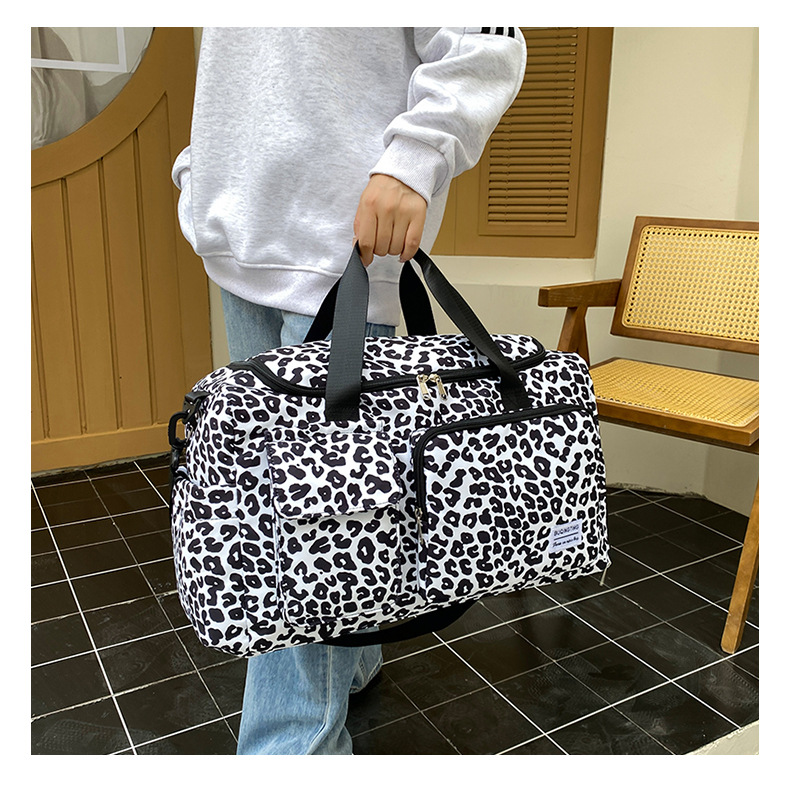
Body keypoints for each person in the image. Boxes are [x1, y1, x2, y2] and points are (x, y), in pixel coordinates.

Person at [172, 26, 527, 756]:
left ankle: (291, 749)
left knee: (308, 523)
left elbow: (489, 38)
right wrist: (201, 172)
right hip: (241, 239)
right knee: (300, 503)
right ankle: (355, 657)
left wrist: (414, 158)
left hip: (347, 245)